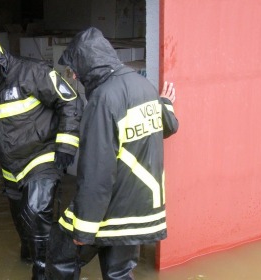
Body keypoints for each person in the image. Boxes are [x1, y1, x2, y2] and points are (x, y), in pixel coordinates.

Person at [45, 27, 179, 280]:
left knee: (60, 255)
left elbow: (97, 171)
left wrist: (83, 231)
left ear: (87, 64)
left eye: (74, 68)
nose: (73, 75)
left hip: (114, 205)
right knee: (119, 273)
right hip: (144, 207)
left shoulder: (103, 99)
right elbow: (169, 126)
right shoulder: (145, 86)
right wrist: (166, 104)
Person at [0, 31, 83, 279]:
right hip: (10, 168)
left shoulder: (31, 72)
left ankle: (44, 270)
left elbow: (69, 101)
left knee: (35, 211)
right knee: (24, 227)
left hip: (42, 156)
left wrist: (66, 145)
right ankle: (32, 257)